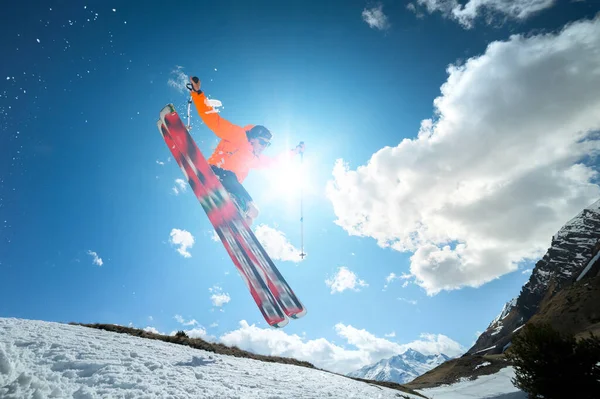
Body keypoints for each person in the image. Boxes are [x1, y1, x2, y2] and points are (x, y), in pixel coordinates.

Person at [188, 76, 305, 225]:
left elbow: (275, 162)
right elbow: (213, 120)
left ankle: (237, 235)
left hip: (231, 183)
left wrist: (295, 151)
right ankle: (231, 200)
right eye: (262, 142)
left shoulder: (255, 158)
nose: (263, 147)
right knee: (248, 207)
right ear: (254, 138)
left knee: (253, 214)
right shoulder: (238, 136)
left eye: (267, 145)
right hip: (218, 172)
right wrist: (197, 93)